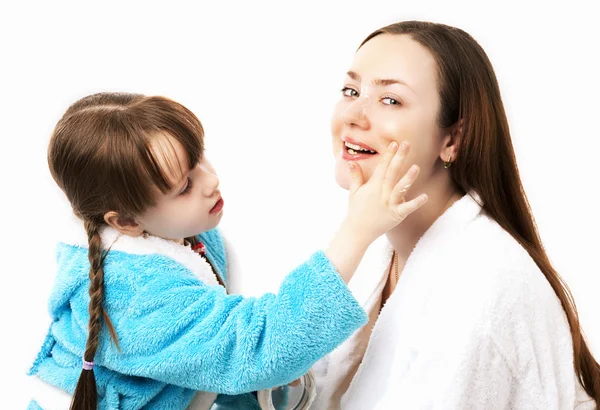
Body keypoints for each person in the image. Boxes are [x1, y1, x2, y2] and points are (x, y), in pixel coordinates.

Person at [26, 92, 427, 410]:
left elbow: (213, 344)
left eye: (199, 157)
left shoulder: (176, 233)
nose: (210, 180)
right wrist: (357, 230)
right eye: (183, 185)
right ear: (126, 222)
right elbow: (255, 348)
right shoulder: (132, 297)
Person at [311, 20, 599, 409]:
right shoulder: (377, 258)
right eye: (351, 91)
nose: (353, 115)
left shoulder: (480, 285)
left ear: (452, 139)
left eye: (390, 100)